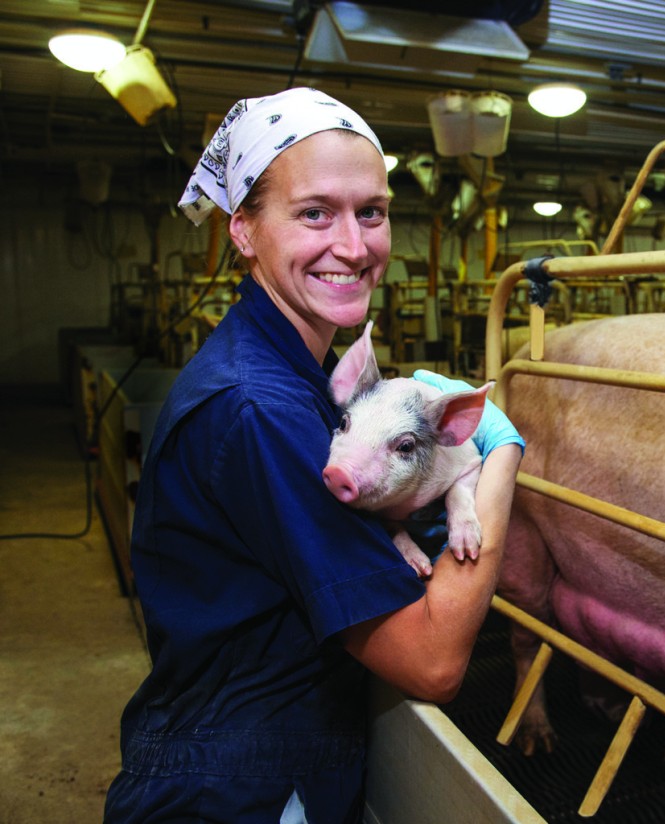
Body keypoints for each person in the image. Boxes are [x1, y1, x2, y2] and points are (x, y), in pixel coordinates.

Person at [104, 87, 524, 824]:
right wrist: (499, 460)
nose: (355, 246)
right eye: (314, 213)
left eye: (372, 211)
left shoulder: (298, 376)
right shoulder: (261, 409)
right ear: (242, 230)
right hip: (244, 790)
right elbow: (432, 661)